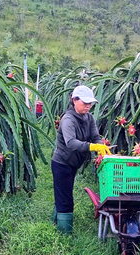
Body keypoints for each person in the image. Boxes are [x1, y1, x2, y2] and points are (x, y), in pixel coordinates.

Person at [51, 85, 111, 234]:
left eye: (90, 103)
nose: (88, 106)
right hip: (62, 163)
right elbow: (71, 143)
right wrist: (93, 147)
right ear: (75, 100)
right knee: (65, 198)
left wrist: (101, 147)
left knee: (63, 192)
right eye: (85, 103)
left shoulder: (88, 117)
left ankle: (55, 221)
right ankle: (65, 234)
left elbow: (95, 136)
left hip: (73, 163)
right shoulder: (68, 120)